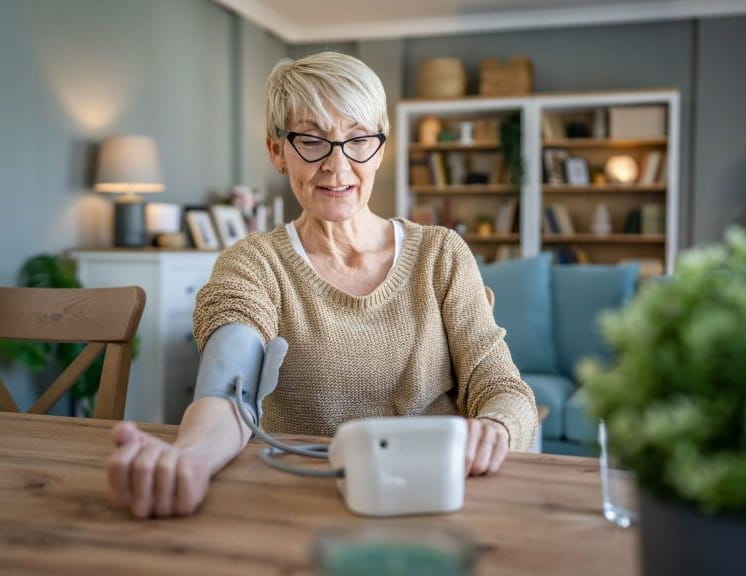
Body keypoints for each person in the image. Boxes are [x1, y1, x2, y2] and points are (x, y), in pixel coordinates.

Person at [107, 51, 538, 518]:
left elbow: (502, 388)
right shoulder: (253, 263)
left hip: (434, 496)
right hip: (300, 504)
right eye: (312, 141)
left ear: (381, 148)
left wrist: (494, 429)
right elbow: (227, 393)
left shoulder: (441, 254)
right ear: (277, 151)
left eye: (357, 140)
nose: (337, 166)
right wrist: (190, 456)